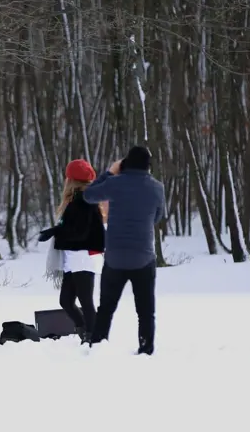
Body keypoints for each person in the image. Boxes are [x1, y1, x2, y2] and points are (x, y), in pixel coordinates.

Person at [82, 146, 164, 355]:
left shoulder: (115, 183)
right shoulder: (157, 188)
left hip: (115, 258)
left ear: (125, 163)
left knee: (106, 308)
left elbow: (89, 195)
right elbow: (157, 217)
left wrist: (110, 172)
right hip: (144, 258)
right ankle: (146, 348)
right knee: (145, 311)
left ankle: (98, 345)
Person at [38, 159, 105, 343]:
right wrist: (56, 230)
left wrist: (55, 231)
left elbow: (79, 232)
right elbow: (75, 227)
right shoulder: (78, 200)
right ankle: (86, 332)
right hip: (74, 257)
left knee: (85, 301)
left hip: (83, 256)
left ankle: (94, 338)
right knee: (66, 301)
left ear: (72, 180)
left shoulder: (83, 200)